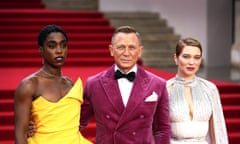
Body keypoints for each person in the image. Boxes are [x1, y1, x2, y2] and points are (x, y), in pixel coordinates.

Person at [80, 26, 171, 144]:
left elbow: (162, 129)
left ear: (140, 51)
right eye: (121, 47)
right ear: (111, 50)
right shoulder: (93, 84)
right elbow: (78, 123)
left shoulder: (158, 84)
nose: (126, 53)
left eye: (132, 48)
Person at [14, 25, 92, 144]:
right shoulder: (29, 85)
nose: (59, 50)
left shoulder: (70, 84)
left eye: (63, 45)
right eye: (52, 46)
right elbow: (20, 135)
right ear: (41, 49)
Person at [166, 37, 229, 144]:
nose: (192, 62)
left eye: (197, 57)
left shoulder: (210, 89)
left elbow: (217, 130)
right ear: (176, 58)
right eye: (186, 57)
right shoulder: (165, 88)